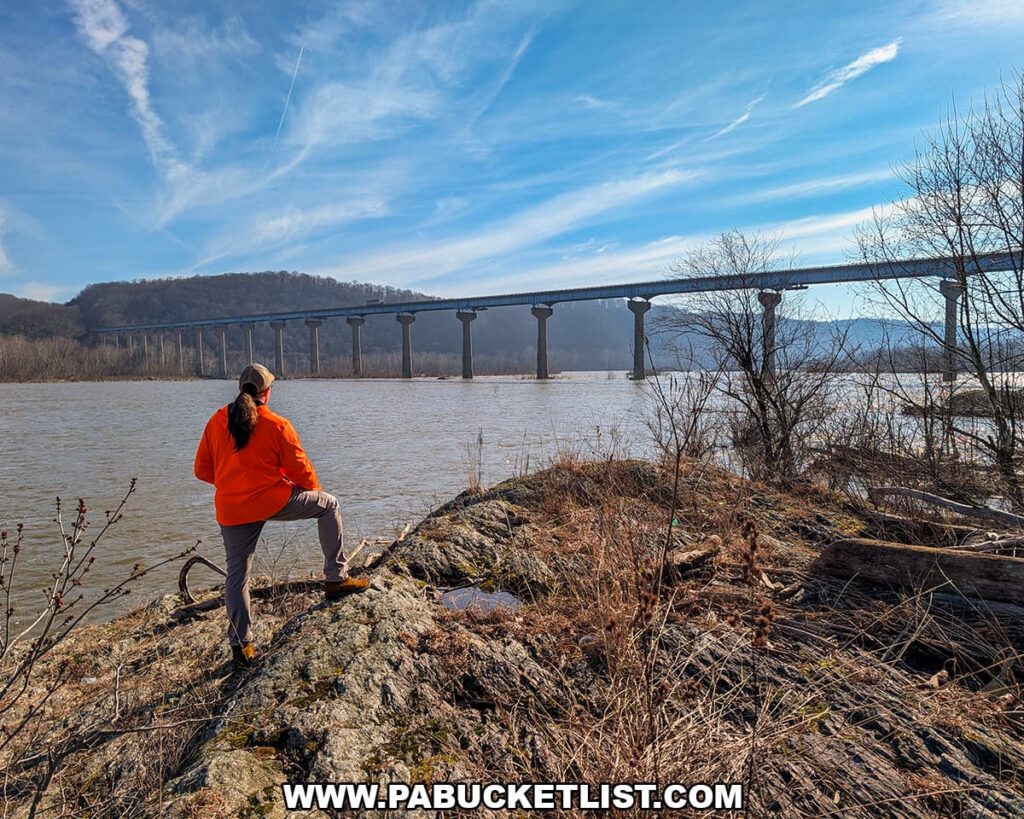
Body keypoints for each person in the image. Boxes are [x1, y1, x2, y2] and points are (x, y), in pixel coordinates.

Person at [194, 363, 368, 668]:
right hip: (273, 500)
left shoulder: (216, 420)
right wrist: (304, 489)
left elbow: (202, 470)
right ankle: (336, 579)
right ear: (268, 392)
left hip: (231, 508)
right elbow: (302, 473)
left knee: (237, 576)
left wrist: (233, 484)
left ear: (240, 389)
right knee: (329, 505)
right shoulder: (276, 424)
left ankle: (241, 646)